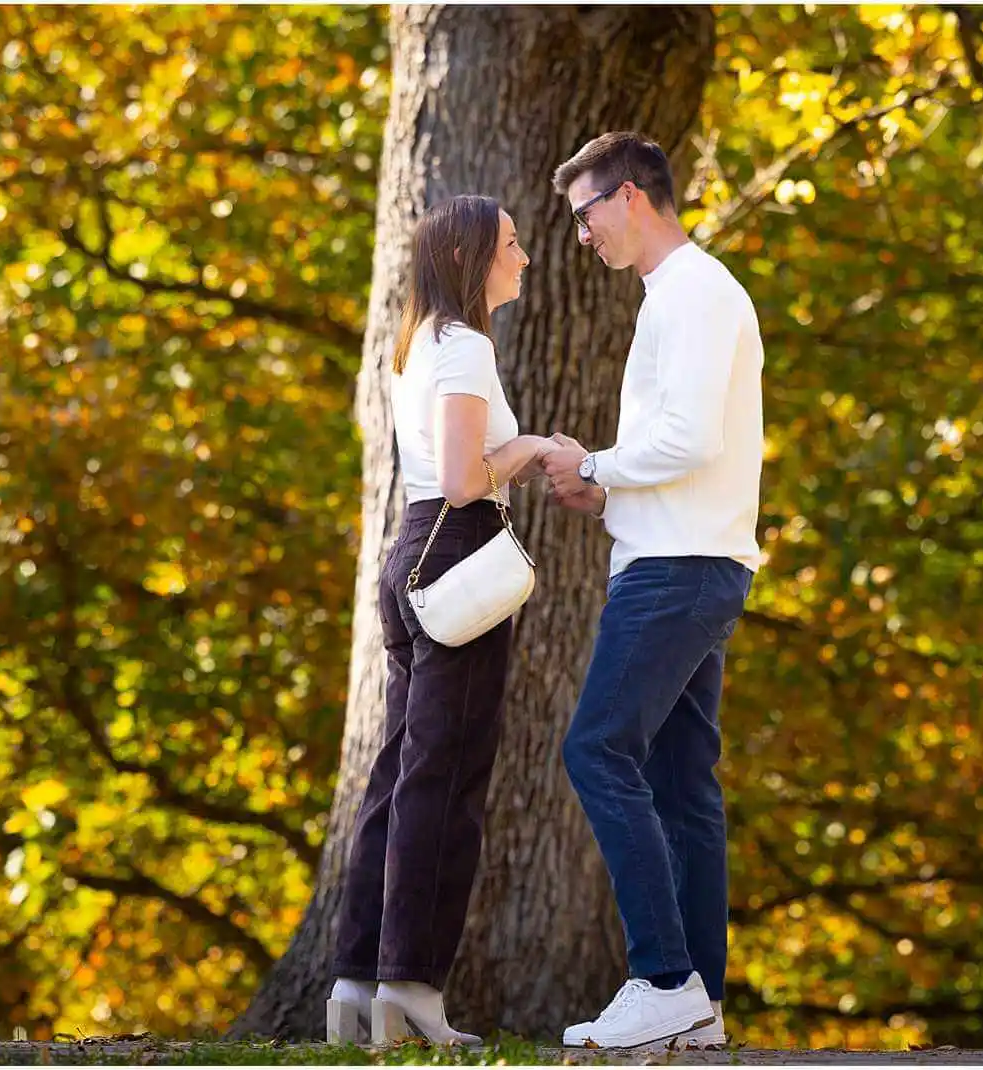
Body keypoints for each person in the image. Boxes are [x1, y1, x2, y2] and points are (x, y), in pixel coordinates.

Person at [541, 131, 765, 1050]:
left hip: (678, 573)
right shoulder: (675, 296)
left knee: (596, 751)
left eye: (587, 215)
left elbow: (691, 442)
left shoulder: (698, 292)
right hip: (680, 559)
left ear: (631, 197)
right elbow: (673, 450)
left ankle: (664, 975)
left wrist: (592, 461)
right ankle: (700, 1006)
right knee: (680, 786)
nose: (583, 237)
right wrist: (606, 486)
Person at [326, 194, 551, 1046]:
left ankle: (354, 982)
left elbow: (448, 469)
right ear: (470, 259)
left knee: (398, 774)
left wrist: (505, 464)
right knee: (445, 781)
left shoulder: (420, 345)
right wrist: (531, 450)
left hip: (414, 552)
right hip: (455, 552)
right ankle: (412, 988)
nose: (523, 257)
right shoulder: (462, 350)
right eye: (510, 244)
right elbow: (465, 478)